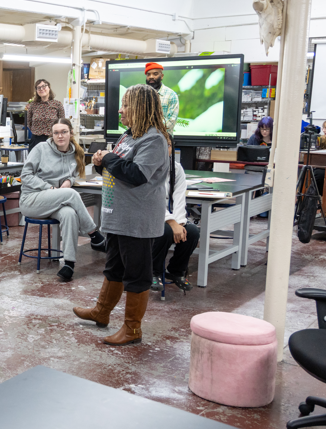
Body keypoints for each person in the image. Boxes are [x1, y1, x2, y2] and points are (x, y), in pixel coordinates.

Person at [74, 84, 170, 346]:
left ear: (141, 108)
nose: (121, 110)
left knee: (137, 275)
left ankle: (132, 330)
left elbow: (137, 174)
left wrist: (108, 160)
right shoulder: (128, 137)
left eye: (126, 105)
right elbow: (117, 167)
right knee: (114, 268)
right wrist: (100, 162)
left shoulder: (154, 140)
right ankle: (101, 312)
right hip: (117, 217)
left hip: (137, 221)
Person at [20, 118, 97, 283]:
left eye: (64, 132)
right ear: (51, 134)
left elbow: (73, 172)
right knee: (71, 194)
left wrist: (69, 180)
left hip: (54, 201)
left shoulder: (75, 152)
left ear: (70, 133)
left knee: (69, 213)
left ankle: (69, 264)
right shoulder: (41, 148)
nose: (60, 136)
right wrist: (50, 188)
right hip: (31, 199)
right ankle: (94, 234)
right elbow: (25, 175)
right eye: (56, 132)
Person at [151, 153, 199, 292]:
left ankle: (176, 271)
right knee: (165, 231)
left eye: (169, 145)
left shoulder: (176, 168)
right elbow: (154, 201)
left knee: (192, 232)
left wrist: (180, 223)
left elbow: (179, 198)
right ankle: (154, 272)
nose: (166, 149)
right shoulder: (147, 167)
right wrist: (172, 223)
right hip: (150, 214)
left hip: (171, 215)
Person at [25, 79, 64, 152]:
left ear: (49, 87)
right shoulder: (33, 105)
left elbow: (62, 123)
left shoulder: (57, 104)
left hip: (52, 139)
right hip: (36, 140)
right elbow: (29, 123)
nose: (41, 89)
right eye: (38, 87)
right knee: (34, 162)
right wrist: (37, 131)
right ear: (36, 91)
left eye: (44, 86)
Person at [144, 62, 179, 133]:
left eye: (155, 74)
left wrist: (150, 131)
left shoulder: (171, 95)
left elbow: (171, 121)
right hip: (142, 139)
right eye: (148, 74)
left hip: (164, 140)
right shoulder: (140, 94)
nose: (151, 76)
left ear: (162, 76)